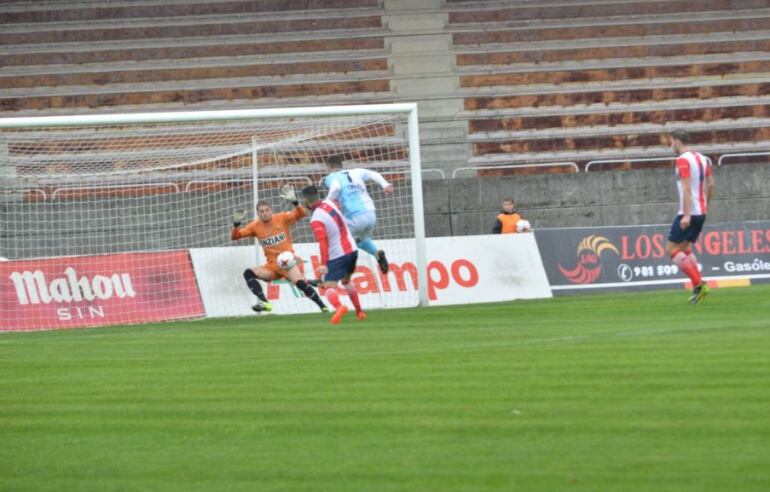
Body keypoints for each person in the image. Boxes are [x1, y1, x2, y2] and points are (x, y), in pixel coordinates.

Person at [231, 185, 327, 314]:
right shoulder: (255, 226)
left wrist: (295, 202)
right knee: (248, 273)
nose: (264, 213)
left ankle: (323, 307)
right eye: (261, 211)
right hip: (272, 266)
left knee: (300, 284)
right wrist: (236, 224)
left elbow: (302, 213)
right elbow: (236, 236)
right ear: (258, 213)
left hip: (287, 262)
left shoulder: (282, 218)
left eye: (266, 210)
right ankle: (265, 302)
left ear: (271, 210)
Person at [300, 185, 365, 324]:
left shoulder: (316, 219)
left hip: (338, 255)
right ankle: (359, 311)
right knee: (346, 281)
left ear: (305, 200)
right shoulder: (330, 203)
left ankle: (339, 307)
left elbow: (323, 242)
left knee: (328, 286)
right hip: (353, 250)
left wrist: (323, 263)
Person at [665, 130, 715, 304]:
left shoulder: (682, 160)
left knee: (671, 249)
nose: (670, 145)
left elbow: (686, 188)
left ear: (678, 141)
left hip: (689, 212)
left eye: (671, 141)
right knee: (684, 248)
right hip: (701, 211)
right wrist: (705, 204)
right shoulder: (702, 158)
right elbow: (711, 183)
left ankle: (699, 284)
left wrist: (686, 215)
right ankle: (699, 286)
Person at [322, 155, 392, 274]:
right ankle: (377, 254)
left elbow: (335, 188)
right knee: (361, 240)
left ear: (328, 167)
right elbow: (372, 174)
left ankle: (334, 270)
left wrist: (326, 205)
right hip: (371, 213)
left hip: (355, 216)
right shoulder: (356, 171)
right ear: (341, 164)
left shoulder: (331, 177)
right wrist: (385, 184)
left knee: (334, 240)